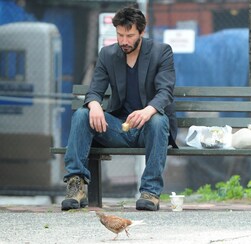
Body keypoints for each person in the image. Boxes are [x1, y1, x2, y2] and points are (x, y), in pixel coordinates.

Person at [61, 6, 177, 211]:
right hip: (118, 128)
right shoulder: (108, 54)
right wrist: (94, 104)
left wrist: (148, 110)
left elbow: (165, 92)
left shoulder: (162, 52)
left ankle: (150, 192)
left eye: (130, 35)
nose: (124, 41)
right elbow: (94, 90)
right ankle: (76, 186)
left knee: (158, 120)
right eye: (120, 35)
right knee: (82, 114)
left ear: (142, 32)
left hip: (149, 129)